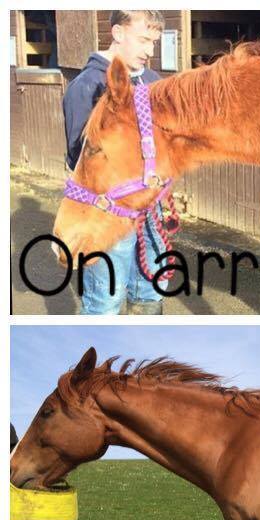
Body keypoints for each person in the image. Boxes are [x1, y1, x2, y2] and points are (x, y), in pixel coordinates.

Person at [63, 10, 168, 315]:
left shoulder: (151, 81)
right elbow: (79, 157)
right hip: (108, 209)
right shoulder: (86, 87)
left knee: (150, 291)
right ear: (118, 33)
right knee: (105, 299)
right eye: (144, 40)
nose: (150, 51)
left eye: (154, 43)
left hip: (150, 207)